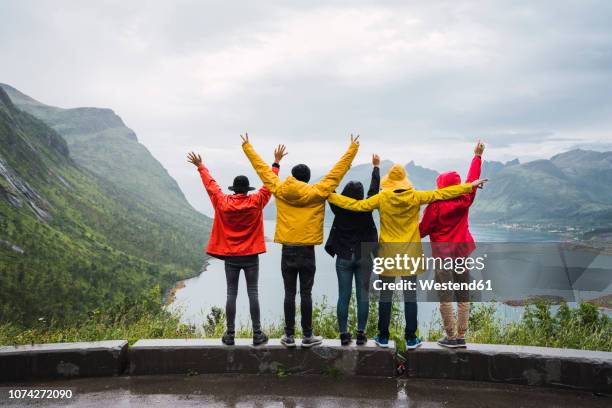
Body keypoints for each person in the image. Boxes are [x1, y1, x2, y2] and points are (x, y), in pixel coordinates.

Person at [328, 164, 487, 349]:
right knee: (410, 297)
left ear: (390, 182)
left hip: (387, 254)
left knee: (385, 297)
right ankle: (411, 338)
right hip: (410, 255)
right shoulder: (416, 196)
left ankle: (383, 337)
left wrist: (328, 194)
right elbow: (443, 194)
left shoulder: (382, 197)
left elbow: (356, 205)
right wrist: (470, 186)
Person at [241, 133, 360, 348]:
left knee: (289, 293)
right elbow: (336, 174)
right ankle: (307, 336)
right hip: (307, 251)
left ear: (293, 177)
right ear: (307, 178)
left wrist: (248, 147)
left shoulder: (280, 188)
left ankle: (288, 336)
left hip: (288, 249)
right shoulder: (317, 191)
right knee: (306, 293)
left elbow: (263, 171)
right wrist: (352, 149)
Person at [187, 146, 286, 346]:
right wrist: (276, 163)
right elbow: (269, 184)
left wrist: (201, 166)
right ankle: (257, 334)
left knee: (231, 293)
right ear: (247, 189)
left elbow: (211, 186)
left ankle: (230, 334)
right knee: (253, 293)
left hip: (231, 257)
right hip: (251, 256)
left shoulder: (223, 203)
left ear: (234, 189)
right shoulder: (257, 202)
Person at [419, 141, 485, 349]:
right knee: (463, 292)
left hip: (442, 255)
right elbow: (472, 181)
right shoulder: (465, 198)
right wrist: (477, 156)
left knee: (445, 294)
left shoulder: (436, 204)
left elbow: (423, 229)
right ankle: (462, 335)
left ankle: (451, 336)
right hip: (462, 252)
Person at [325, 154, 380, 346]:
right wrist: (376, 168)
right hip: (364, 257)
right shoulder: (367, 207)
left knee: (344, 296)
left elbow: (328, 188)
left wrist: (344, 168)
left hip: (344, 256)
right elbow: (374, 191)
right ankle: (361, 334)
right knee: (362, 296)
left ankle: (343, 334)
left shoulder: (339, 208)